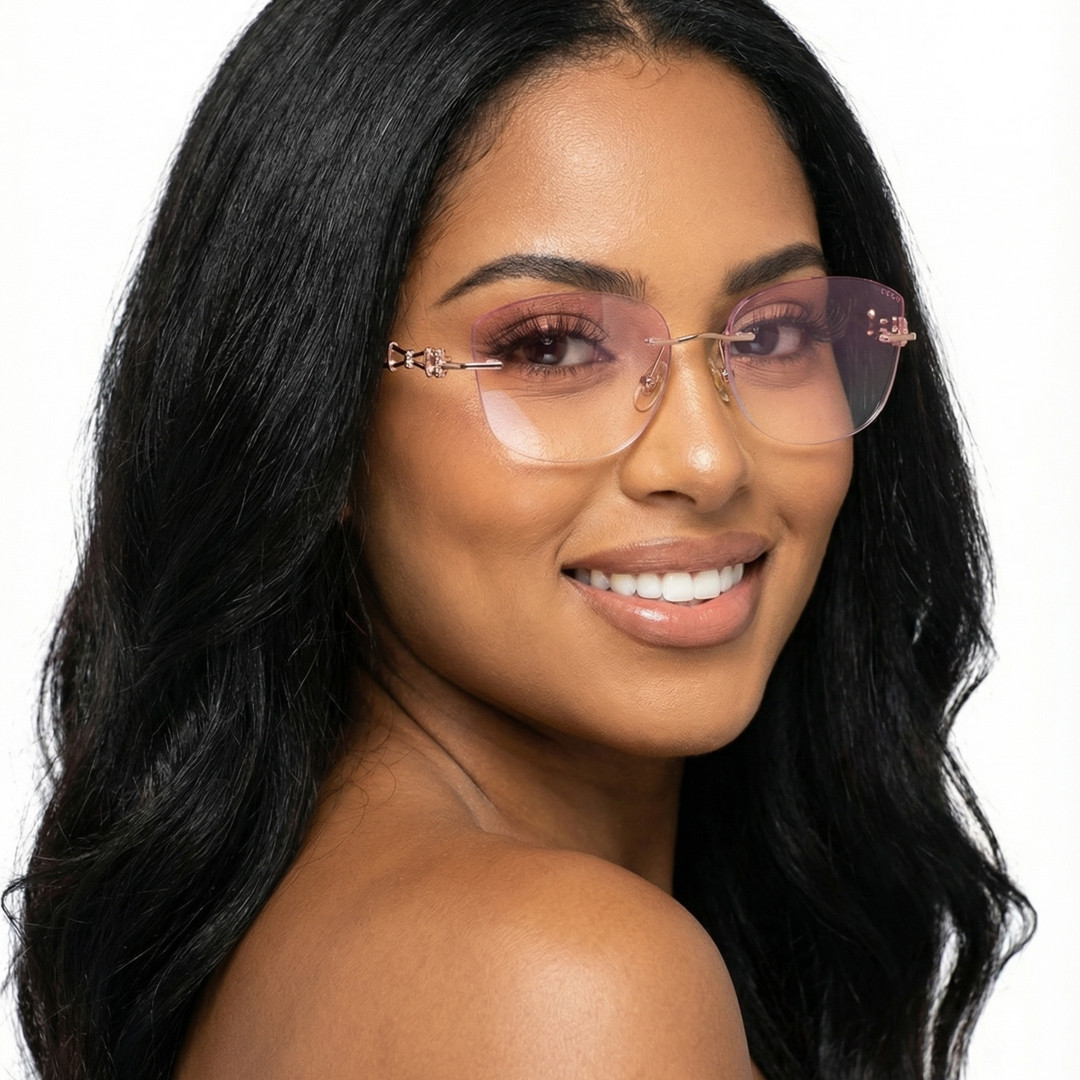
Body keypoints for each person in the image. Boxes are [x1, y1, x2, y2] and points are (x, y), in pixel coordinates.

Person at [6, 1, 1033, 1077]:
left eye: (773, 334)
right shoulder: (567, 984)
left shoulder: (311, 938)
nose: (705, 459)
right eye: (551, 348)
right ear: (312, 411)